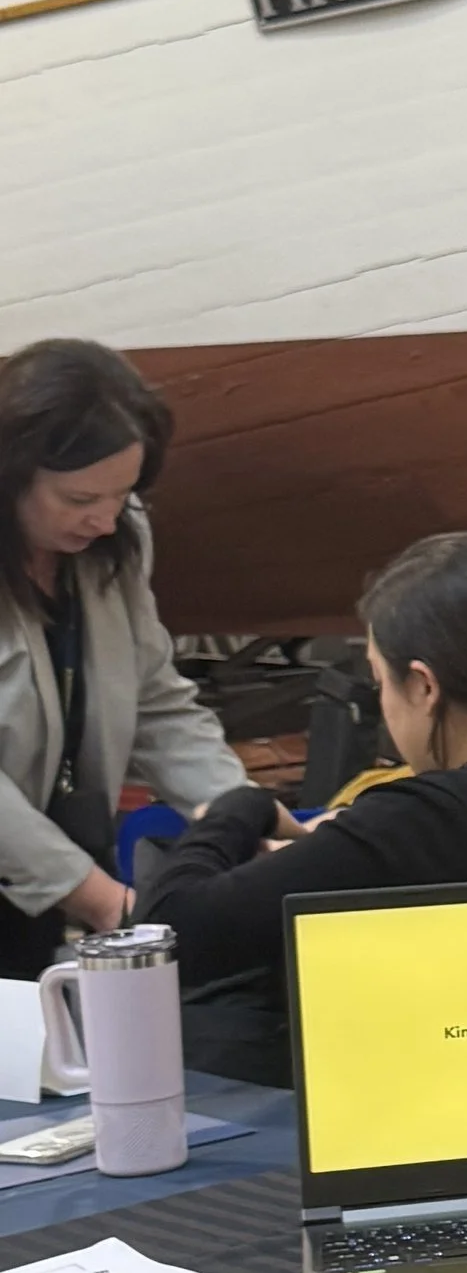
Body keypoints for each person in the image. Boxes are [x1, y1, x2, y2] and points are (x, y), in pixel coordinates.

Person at [138, 530, 467, 1084]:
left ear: (422, 686)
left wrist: (239, 807)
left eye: (380, 683)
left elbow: (168, 932)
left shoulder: (419, 821)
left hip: (430, 1126)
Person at [0, 337, 253, 980]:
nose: (106, 522)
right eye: (81, 501)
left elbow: (157, 703)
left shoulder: (118, 536)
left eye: (123, 495)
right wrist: (108, 904)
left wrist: (243, 818)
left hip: (56, 875)